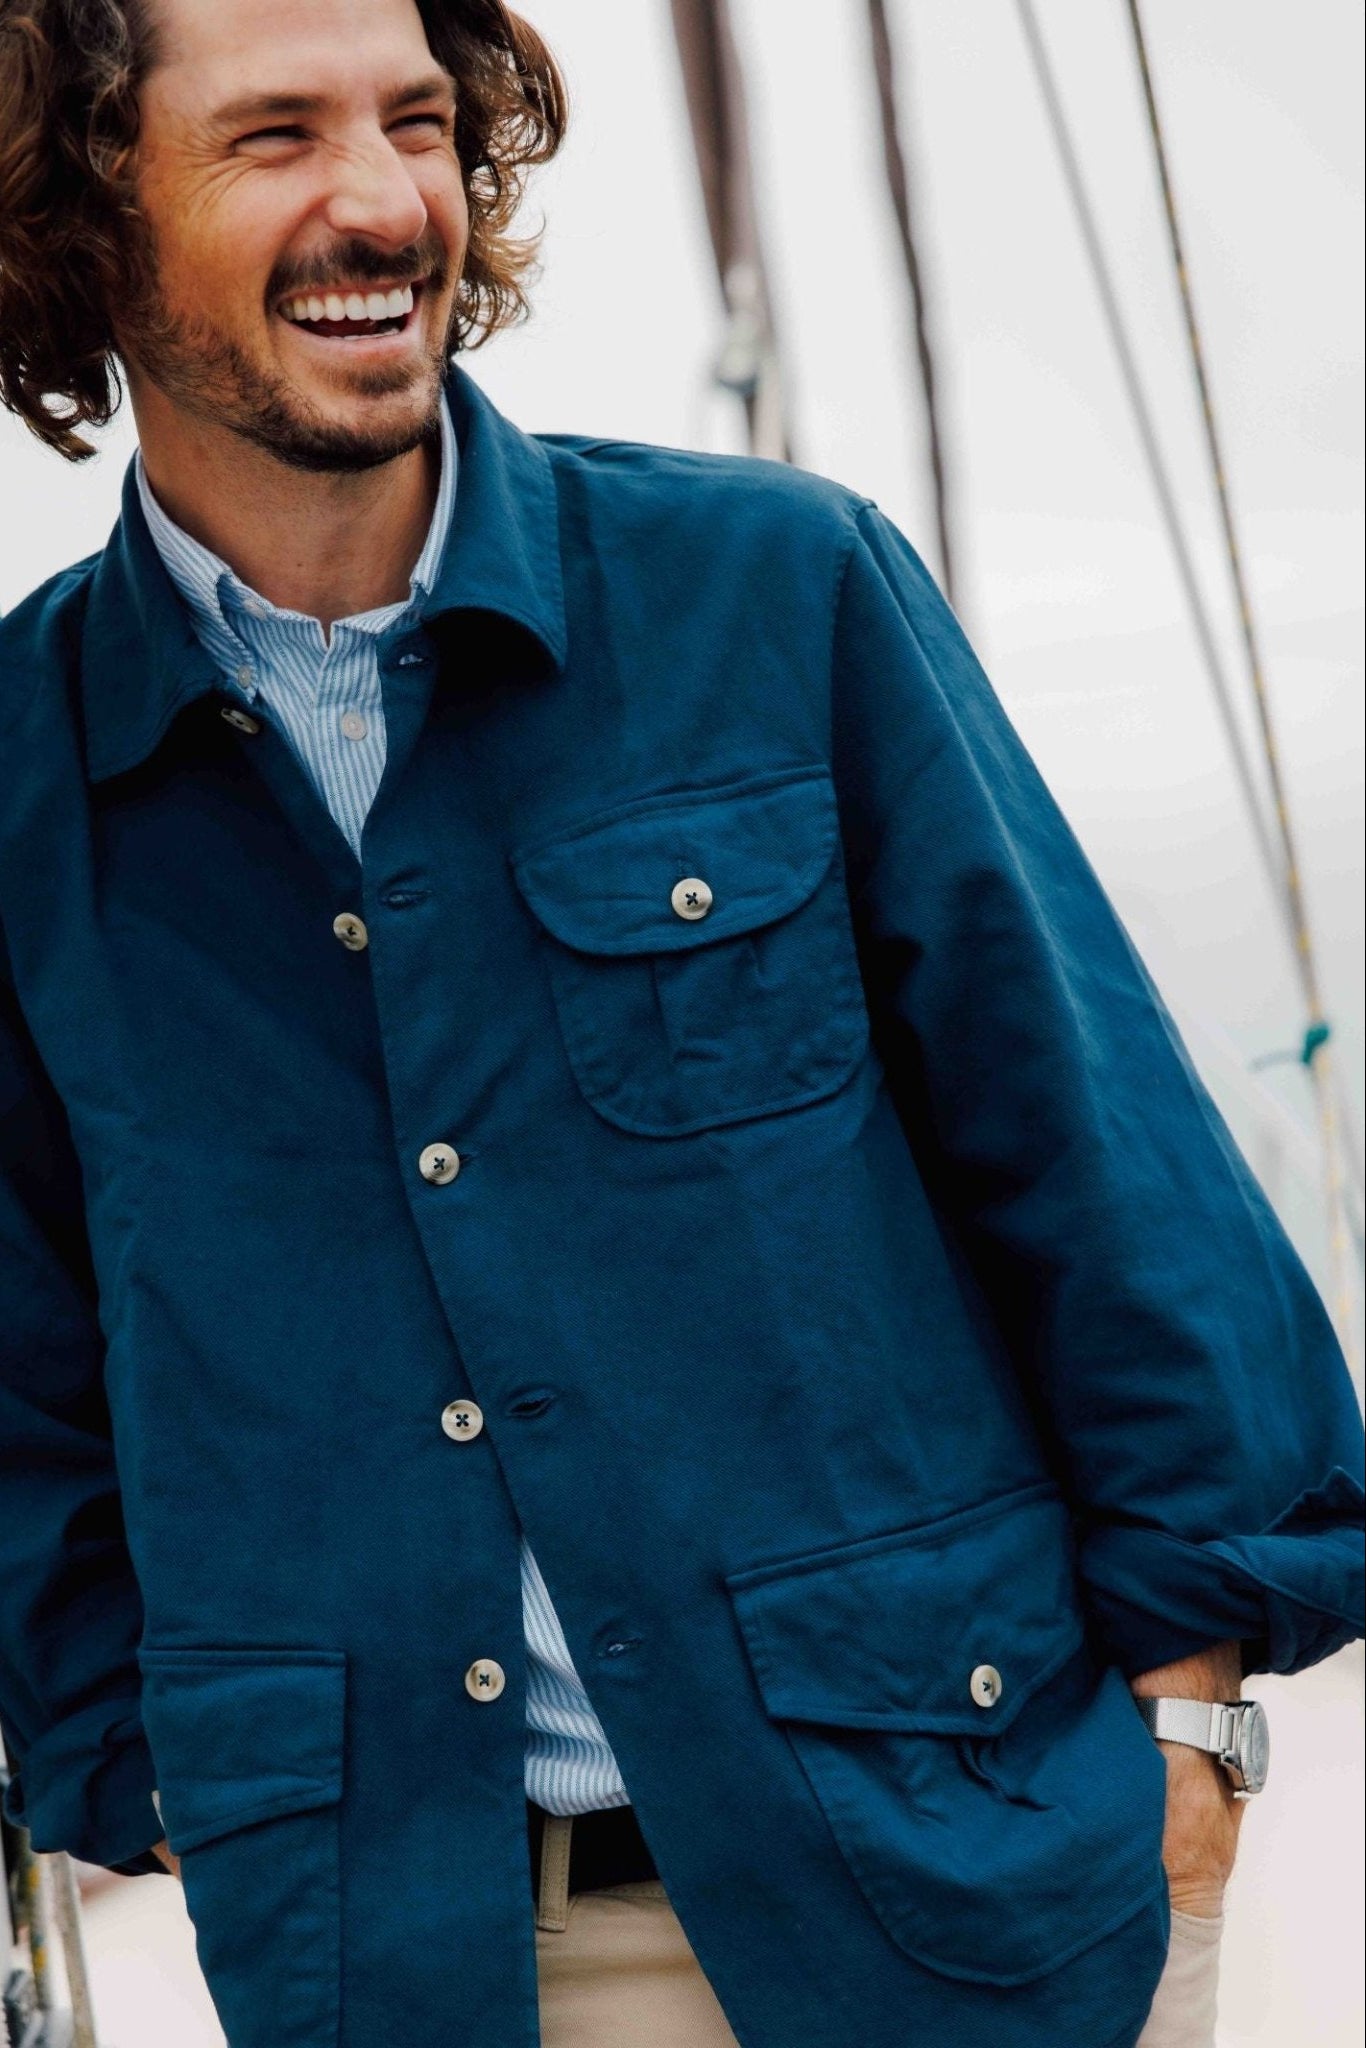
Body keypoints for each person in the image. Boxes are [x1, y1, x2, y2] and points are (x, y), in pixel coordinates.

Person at [0, 1, 1361, 2043]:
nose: (382, 199)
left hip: (966, 1894)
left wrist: (1188, 1738)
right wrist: (177, 1788)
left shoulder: (780, 593)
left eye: (419, 122)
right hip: (422, 1963)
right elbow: (19, 1403)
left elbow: (1103, 1179)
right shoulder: (20, 788)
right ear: (77, 222)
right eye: (272, 137)